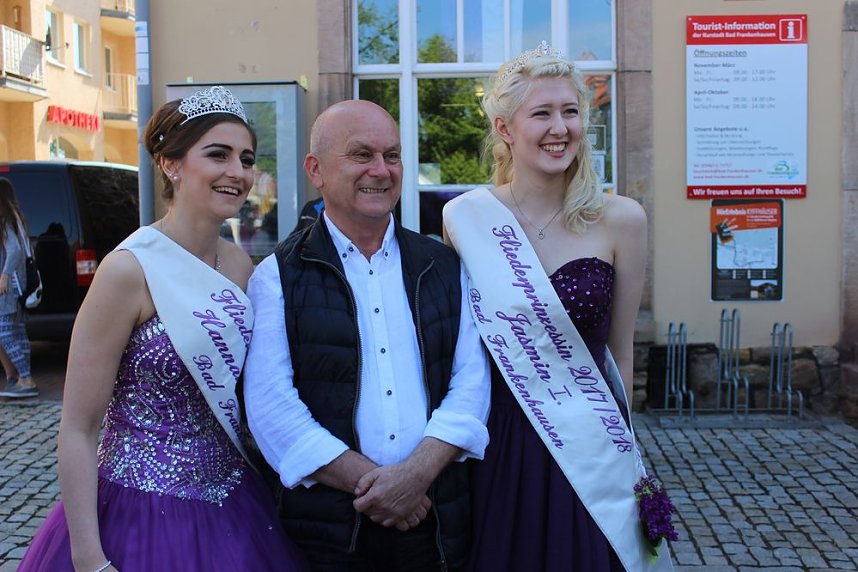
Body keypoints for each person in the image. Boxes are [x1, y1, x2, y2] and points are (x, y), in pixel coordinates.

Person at [18, 86, 307, 571]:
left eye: (246, 158)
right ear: (171, 164)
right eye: (218, 154)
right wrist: (88, 557)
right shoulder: (128, 271)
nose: (237, 172)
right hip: (138, 507)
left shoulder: (240, 264)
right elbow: (78, 428)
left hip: (235, 502)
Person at [443, 44, 673, 570]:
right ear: (505, 129)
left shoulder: (622, 219)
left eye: (570, 112)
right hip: (503, 440)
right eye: (541, 113)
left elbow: (621, 351)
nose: (559, 127)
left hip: (590, 442)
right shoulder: (467, 219)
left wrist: (622, 452)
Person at [243, 99, 491, 571]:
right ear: (315, 170)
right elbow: (273, 411)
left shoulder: (444, 265)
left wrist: (416, 477)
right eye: (361, 155)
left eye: (392, 155)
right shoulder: (277, 276)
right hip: (330, 534)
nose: (381, 170)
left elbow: (471, 386)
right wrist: (385, 488)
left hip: (435, 527)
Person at [0, 177, 37, 399]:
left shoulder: (5, 218)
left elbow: (13, 249)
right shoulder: (15, 216)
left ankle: (25, 379)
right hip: (17, 285)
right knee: (17, 332)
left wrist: (4, 276)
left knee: (6, 332)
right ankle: (16, 376)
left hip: (9, 288)